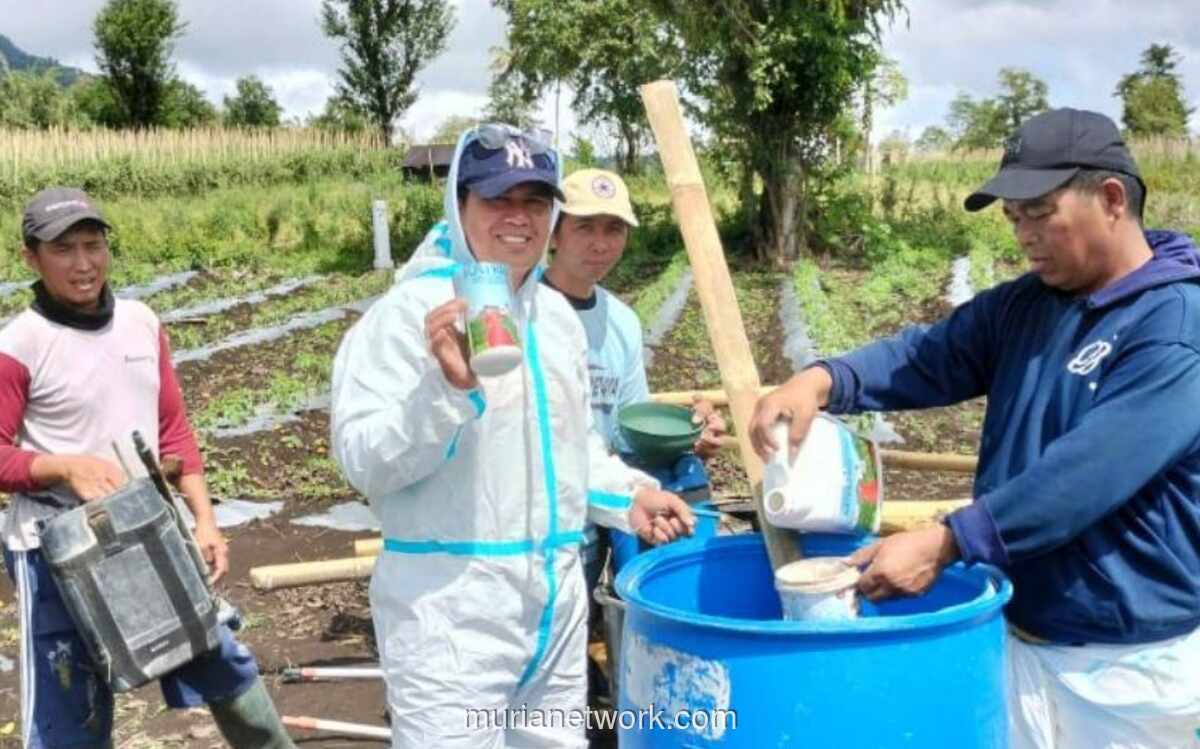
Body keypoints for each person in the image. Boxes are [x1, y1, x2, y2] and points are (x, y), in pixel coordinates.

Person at [750, 108, 1200, 748]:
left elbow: (1085, 475)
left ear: (1110, 199)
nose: (1023, 234)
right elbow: (927, 355)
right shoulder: (1027, 304)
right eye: (1013, 217)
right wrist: (822, 380)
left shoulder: (1176, 325)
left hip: (1126, 670)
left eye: (1039, 211)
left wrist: (947, 542)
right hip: (1018, 635)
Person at [330, 125, 694, 748]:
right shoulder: (407, 317)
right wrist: (444, 393)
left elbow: (572, 445)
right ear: (460, 204)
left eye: (535, 201)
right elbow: (365, 462)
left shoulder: (553, 317)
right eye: (499, 200)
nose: (519, 218)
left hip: (554, 607)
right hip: (450, 613)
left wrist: (626, 497)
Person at [0, 188, 294, 748]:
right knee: (71, 714)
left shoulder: (140, 322)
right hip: (55, 548)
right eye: (64, 249)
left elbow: (173, 429)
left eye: (93, 245)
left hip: (149, 532)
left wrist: (204, 519)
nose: (84, 263)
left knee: (222, 660)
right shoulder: (20, 345)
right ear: (30, 258)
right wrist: (62, 467)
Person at [541, 168, 726, 697]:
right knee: (549, 640)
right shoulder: (523, 308)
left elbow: (631, 424)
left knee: (594, 627)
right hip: (550, 513)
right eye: (585, 228)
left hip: (608, 496)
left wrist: (688, 441)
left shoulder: (620, 320)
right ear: (555, 232)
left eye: (614, 229)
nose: (601, 244)